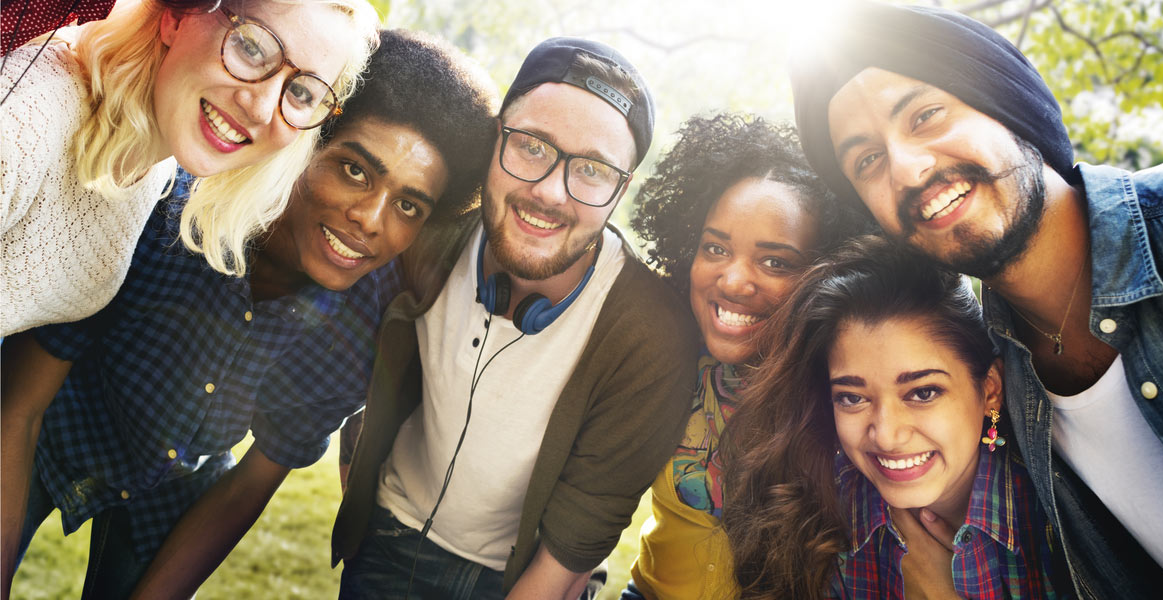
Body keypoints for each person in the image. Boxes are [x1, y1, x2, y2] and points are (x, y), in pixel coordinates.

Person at [0, 28, 498, 599]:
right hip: (47, 432)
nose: (371, 218)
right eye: (356, 170)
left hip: (177, 481)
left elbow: (251, 483)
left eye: (408, 204)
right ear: (305, 143)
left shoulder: (365, 321)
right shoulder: (171, 208)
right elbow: (19, 405)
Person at [790, 2, 1163, 597]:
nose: (906, 169)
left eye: (926, 115)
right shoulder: (1002, 380)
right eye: (868, 160)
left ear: (1008, 104)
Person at [333, 37, 699, 600]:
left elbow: (590, 517)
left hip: (524, 580)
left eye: (594, 170)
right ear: (494, 137)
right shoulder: (428, 233)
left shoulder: (651, 333)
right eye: (531, 145)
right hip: (386, 539)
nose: (550, 191)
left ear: (621, 189)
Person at [1, 0, 379, 336]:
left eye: (301, 92)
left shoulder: (160, 168)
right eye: (251, 47)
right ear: (176, 18)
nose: (261, 109)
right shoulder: (24, 125)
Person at [723, 235, 1068, 599]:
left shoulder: (1063, 525)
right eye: (852, 397)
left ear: (990, 390)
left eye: (923, 392)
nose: (886, 435)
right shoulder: (813, 511)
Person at [620, 113, 843, 600]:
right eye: (715, 248)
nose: (734, 281)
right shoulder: (665, 348)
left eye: (775, 261)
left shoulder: (846, 387)